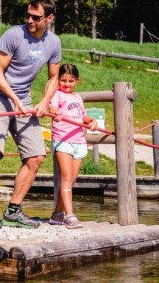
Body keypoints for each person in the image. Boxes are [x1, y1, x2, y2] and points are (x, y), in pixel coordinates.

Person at [0, 0, 61, 230]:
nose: (29, 20)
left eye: (35, 17)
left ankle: (13, 212)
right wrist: (14, 99)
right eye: (28, 14)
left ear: (49, 18)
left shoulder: (54, 43)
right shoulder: (13, 35)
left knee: (36, 156)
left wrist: (44, 102)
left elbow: (54, 77)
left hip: (24, 100)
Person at [49, 64, 96, 229]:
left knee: (71, 179)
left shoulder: (77, 98)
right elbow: (53, 110)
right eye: (63, 80)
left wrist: (92, 122)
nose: (67, 84)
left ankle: (57, 215)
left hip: (79, 141)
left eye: (71, 81)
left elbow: (82, 116)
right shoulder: (57, 94)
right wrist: (56, 115)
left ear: (77, 81)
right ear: (58, 80)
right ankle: (70, 216)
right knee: (67, 177)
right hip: (63, 141)